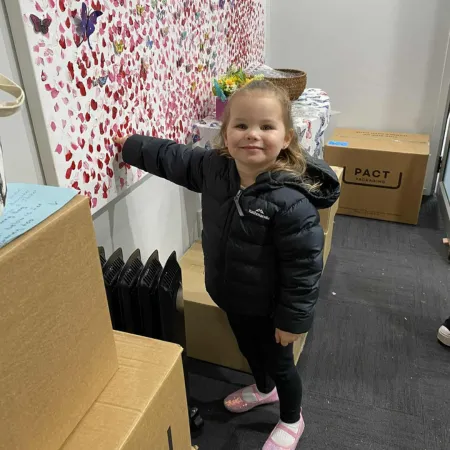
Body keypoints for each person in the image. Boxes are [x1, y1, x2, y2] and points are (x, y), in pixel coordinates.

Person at [114, 80, 340, 450]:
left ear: (286, 138)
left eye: (266, 126)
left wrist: (292, 321)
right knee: (248, 349)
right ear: (226, 134)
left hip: (272, 309)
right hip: (232, 295)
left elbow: (304, 270)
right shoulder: (215, 169)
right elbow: (174, 157)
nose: (252, 134)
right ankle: (264, 389)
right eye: (241, 125)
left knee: (281, 365)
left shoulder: (291, 202)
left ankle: (291, 417)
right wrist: (132, 146)